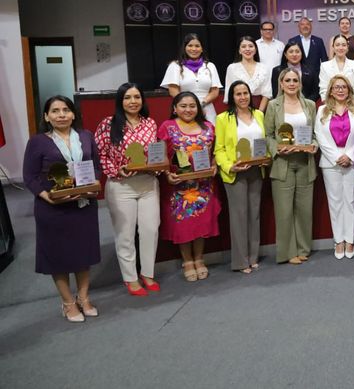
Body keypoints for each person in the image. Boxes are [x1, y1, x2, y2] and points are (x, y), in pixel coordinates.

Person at [23, 96, 101, 322]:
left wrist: (94, 186)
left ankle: (83, 298)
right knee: (58, 255)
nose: (61, 115)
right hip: (53, 209)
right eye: (55, 111)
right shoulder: (38, 142)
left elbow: (96, 166)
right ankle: (68, 303)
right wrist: (47, 197)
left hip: (84, 205)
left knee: (83, 253)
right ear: (46, 117)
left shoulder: (86, 136)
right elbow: (29, 176)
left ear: (73, 114)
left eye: (66, 110)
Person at [94, 83, 160, 296]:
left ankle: (147, 274)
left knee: (150, 230)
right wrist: (116, 171)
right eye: (127, 97)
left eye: (137, 97)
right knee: (125, 234)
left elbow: (155, 152)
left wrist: (157, 166)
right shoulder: (108, 124)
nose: (133, 101)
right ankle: (130, 278)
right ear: (120, 101)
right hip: (121, 186)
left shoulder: (150, 123)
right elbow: (100, 155)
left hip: (148, 183)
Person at [158, 92, 220, 282]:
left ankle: (199, 259)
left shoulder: (208, 126)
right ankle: (187, 261)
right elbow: (161, 155)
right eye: (183, 106)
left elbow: (216, 151)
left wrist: (215, 166)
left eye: (192, 106)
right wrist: (167, 174)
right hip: (178, 186)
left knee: (201, 222)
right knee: (183, 224)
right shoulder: (167, 127)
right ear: (174, 108)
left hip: (203, 184)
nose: (188, 109)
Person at [265, 68, 319, 264]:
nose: (291, 84)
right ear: (281, 84)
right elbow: (268, 135)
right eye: (287, 80)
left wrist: (314, 145)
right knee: (284, 211)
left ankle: (303, 248)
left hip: (305, 161)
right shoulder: (273, 105)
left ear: (300, 83)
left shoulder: (310, 105)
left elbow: (314, 134)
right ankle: (288, 252)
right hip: (283, 163)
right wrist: (277, 149)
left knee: (304, 210)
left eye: (295, 80)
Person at [214, 81, 266, 274]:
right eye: (238, 94)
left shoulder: (259, 114)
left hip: (256, 169)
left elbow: (264, 141)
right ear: (232, 97)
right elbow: (219, 149)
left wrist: (265, 158)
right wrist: (230, 166)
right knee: (239, 216)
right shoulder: (223, 119)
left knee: (254, 214)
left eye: (245, 93)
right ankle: (240, 261)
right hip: (235, 172)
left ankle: (253, 257)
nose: (243, 97)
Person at [315, 75, 354, 260]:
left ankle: (350, 240)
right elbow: (319, 136)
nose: (340, 90)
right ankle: (338, 240)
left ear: (349, 90)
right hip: (330, 162)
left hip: (352, 160)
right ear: (331, 91)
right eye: (337, 87)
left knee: (351, 200)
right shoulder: (322, 110)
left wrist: (349, 155)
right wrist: (336, 157)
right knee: (335, 202)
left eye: (344, 87)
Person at [161, 33, 222, 120]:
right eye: (190, 45)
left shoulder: (210, 66)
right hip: (185, 110)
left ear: (202, 49)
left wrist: (201, 105)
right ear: (184, 48)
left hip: (206, 110)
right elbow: (173, 91)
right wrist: (189, 106)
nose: (193, 49)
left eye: (197, 46)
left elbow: (215, 91)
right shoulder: (175, 66)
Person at [224, 36, 270, 111]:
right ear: (239, 50)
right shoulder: (232, 68)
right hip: (238, 109)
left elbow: (267, 93)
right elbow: (229, 93)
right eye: (243, 46)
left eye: (251, 46)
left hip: (259, 107)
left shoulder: (264, 68)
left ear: (255, 50)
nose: (247, 49)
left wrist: (259, 113)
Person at [319, 34, 354, 101]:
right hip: (331, 103)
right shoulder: (325, 66)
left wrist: (351, 102)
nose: (340, 48)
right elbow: (324, 89)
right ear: (333, 47)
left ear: (347, 47)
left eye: (344, 45)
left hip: (351, 103)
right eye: (337, 45)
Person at [255, 21, 285, 90]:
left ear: (274, 31)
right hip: (260, 79)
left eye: (270, 29)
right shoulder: (255, 44)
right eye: (265, 29)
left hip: (277, 79)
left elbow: (284, 62)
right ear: (261, 31)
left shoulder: (280, 45)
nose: (268, 31)